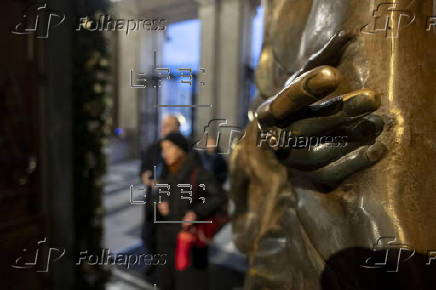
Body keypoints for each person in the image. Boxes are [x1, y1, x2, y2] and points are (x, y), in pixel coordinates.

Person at [155, 132, 226, 290]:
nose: (164, 153)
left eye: (167, 148)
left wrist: (196, 212)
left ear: (180, 150)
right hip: (166, 238)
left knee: (189, 282)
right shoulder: (167, 171)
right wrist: (160, 201)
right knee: (165, 282)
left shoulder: (197, 172)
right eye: (163, 149)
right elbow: (159, 193)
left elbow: (218, 196)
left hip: (190, 240)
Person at [140, 115, 181, 275]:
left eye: (168, 125)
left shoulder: (184, 149)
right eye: (163, 125)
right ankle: (154, 261)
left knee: (169, 238)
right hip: (152, 200)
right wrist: (144, 175)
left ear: (177, 128)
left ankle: (169, 268)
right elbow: (144, 168)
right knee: (148, 234)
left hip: (172, 203)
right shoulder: (153, 147)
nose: (164, 129)